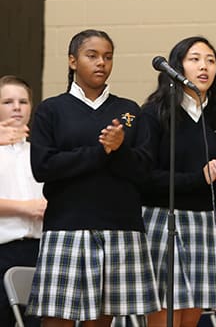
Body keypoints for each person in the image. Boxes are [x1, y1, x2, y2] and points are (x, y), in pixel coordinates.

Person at [27, 29, 160, 326]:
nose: (102, 63)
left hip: (120, 228)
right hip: (68, 227)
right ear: (73, 61)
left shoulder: (128, 110)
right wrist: (102, 152)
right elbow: (43, 166)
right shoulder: (52, 109)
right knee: (57, 319)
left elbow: (143, 170)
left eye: (108, 57)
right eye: (92, 56)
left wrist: (119, 150)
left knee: (102, 320)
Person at [140, 36, 216, 327]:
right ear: (177, 66)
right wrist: (201, 177)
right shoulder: (154, 114)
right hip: (161, 220)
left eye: (210, 60)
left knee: (190, 319)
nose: (203, 66)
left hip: (204, 222)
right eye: (194, 59)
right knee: (165, 316)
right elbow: (146, 178)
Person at [0, 76, 44, 327]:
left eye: (23, 101)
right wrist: (24, 207)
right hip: (4, 247)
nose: (17, 107)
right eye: (8, 101)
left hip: (38, 249)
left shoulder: (39, 151)